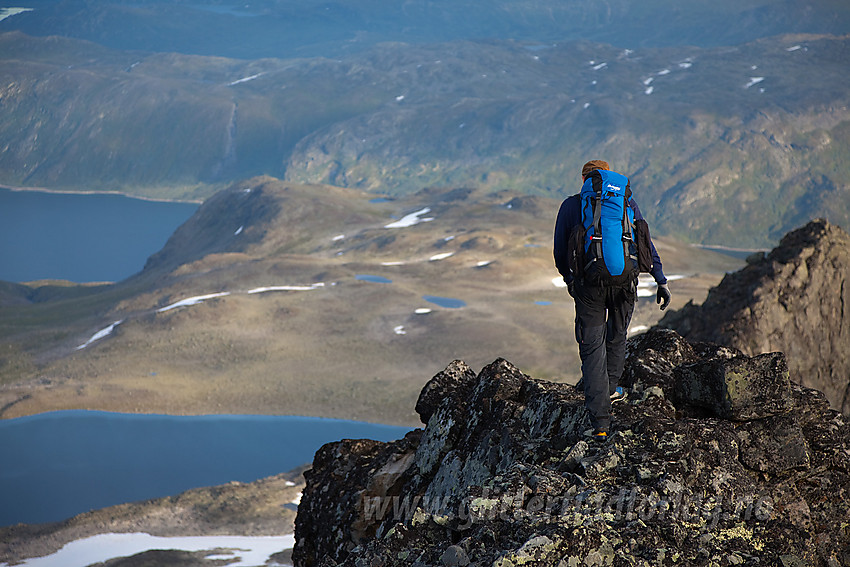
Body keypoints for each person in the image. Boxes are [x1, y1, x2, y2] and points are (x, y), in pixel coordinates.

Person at [553, 159, 671, 440]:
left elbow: (560, 252)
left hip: (589, 286)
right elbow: (644, 243)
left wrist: (570, 280)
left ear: (584, 179)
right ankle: (613, 389)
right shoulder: (626, 202)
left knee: (592, 346)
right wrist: (660, 279)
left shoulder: (572, 205)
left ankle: (601, 424)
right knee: (617, 336)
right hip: (625, 283)